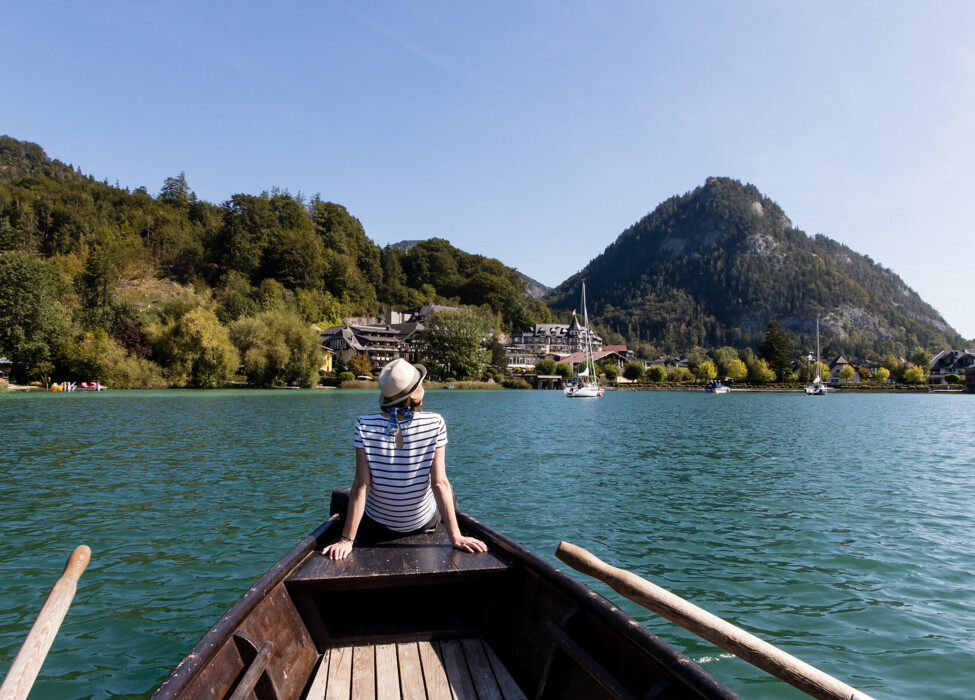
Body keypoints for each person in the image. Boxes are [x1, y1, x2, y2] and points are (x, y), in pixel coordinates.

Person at [321, 358, 488, 560]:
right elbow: (439, 483)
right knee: (448, 488)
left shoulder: (364, 424)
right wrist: (457, 538)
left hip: (378, 523)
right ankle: (451, 526)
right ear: (416, 392)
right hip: (422, 523)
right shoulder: (435, 423)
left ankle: (345, 532)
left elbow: (362, 485)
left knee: (342, 494)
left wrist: (346, 540)